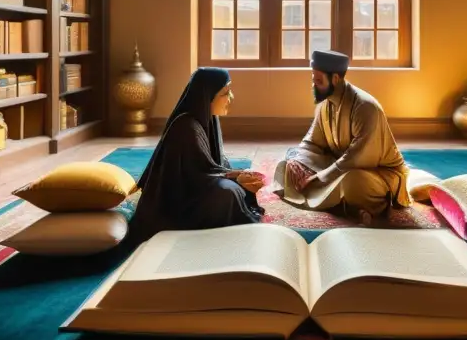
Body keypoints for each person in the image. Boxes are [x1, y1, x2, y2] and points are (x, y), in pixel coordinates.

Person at [269, 50, 410, 225]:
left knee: (353, 182)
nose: (313, 84)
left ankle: (343, 203)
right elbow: (311, 142)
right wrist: (296, 160)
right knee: (286, 165)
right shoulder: (324, 105)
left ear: (335, 79)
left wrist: (321, 177)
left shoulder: (365, 107)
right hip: (338, 166)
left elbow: (358, 157)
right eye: (313, 79)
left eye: (318, 81)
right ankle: (346, 206)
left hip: (375, 173)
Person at [126, 67, 264, 244]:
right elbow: (195, 177)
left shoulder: (208, 118)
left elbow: (213, 163)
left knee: (237, 184)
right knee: (227, 193)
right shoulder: (186, 127)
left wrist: (237, 175)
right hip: (178, 203)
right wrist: (236, 179)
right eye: (225, 93)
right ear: (208, 96)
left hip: (196, 186)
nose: (231, 98)